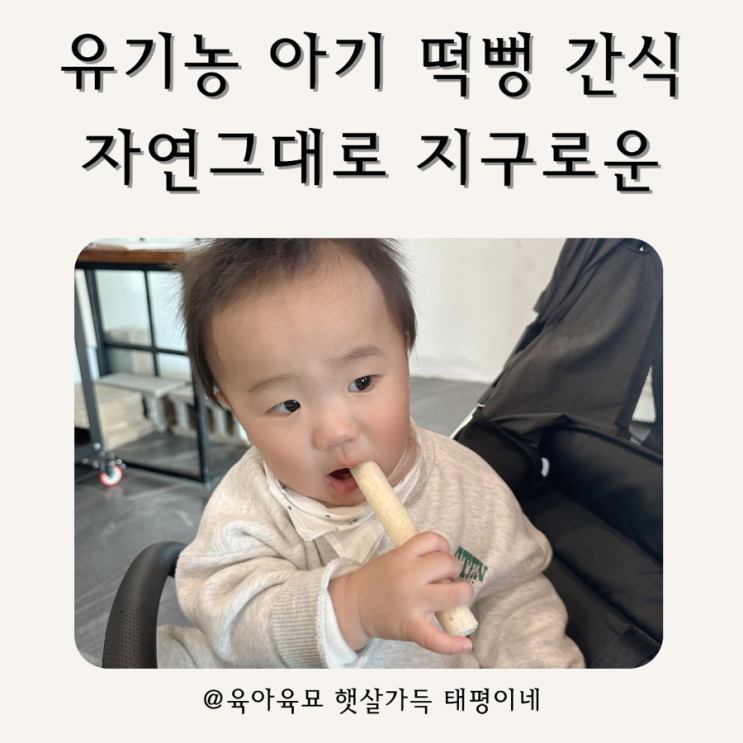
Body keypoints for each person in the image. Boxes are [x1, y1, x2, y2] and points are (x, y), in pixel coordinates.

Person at [156, 238, 584, 669]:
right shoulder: (247, 508)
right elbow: (227, 619)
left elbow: (512, 594)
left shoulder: (468, 487)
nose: (336, 432)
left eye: (361, 383)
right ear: (232, 407)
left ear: (405, 352)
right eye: (287, 405)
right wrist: (351, 606)